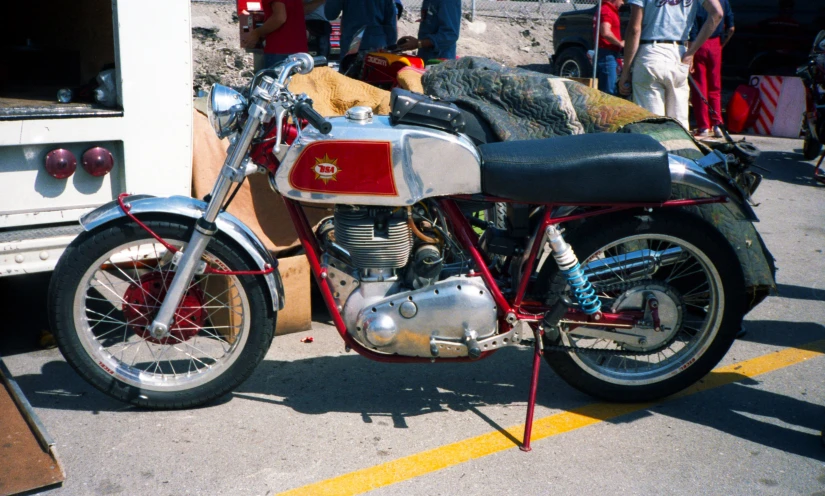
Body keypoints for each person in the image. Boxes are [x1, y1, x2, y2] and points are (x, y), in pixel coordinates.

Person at [618, 0, 723, 129]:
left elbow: (634, 29)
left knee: (652, 126)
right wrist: (692, 51)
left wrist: (625, 71)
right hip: (679, 53)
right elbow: (717, 13)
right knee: (679, 125)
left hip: (650, 52)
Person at [690, 0, 735, 137]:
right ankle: (717, 124)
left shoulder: (697, 2)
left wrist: (690, 53)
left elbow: (693, 28)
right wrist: (722, 45)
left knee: (700, 87)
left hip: (699, 44)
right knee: (715, 88)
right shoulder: (724, 1)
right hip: (716, 45)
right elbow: (731, 28)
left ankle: (703, 126)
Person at [242, 0, 309, 67]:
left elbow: (279, 18)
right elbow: (299, 10)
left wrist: (257, 33)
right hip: (300, 51)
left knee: (275, 77)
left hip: (279, 50)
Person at [325, 0, 397, 59]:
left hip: (352, 44)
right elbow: (391, 23)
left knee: (348, 74)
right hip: (377, 45)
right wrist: (390, 47)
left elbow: (330, 14)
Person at [396, 0, 461, 60]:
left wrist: (419, 43)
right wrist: (415, 42)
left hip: (440, 61)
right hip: (425, 56)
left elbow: (450, 35)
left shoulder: (448, 2)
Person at [594, 0, 625, 95]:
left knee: (608, 89)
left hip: (608, 54)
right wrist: (619, 43)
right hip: (607, 55)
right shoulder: (607, 10)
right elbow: (605, 32)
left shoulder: (607, 9)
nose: (623, 3)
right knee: (608, 92)